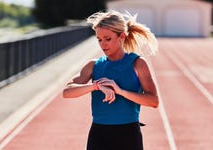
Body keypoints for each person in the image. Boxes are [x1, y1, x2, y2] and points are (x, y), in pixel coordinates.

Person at [63, 10, 159, 150]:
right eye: (99, 39)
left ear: (122, 36)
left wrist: (120, 91)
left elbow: (153, 101)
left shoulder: (137, 63)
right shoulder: (94, 65)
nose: (103, 44)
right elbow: (67, 92)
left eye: (107, 39)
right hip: (98, 135)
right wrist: (95, 86)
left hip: (128, 135)